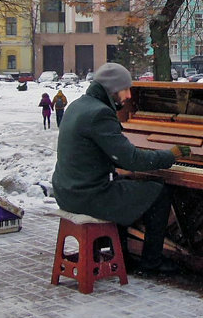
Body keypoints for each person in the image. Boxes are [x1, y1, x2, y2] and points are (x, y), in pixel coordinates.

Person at [51, 62, 191, 275]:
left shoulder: (79, 105)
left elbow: (106, 153)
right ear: (113, 89)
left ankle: (124, 256)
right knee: (160, 192)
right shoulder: (99, 114)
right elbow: (131, 159)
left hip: (68, 191)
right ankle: (152, 262)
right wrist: (171, 154)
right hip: (87, 196)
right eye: (125, 89)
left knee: (126, 188)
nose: (128, 96)